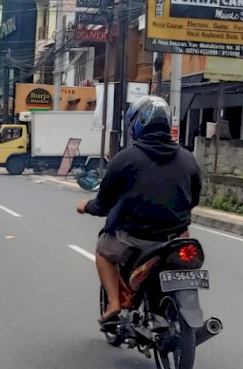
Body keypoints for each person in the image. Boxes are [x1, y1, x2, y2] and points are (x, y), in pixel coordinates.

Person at [77, 96, 202, 324]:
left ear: (137, 123)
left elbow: (103, 204)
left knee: (103, 251)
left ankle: (114, 303)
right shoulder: (188, 159)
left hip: (136, 239)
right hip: (176, 238)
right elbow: (194, 199)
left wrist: (86, 206)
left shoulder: (124, 159)